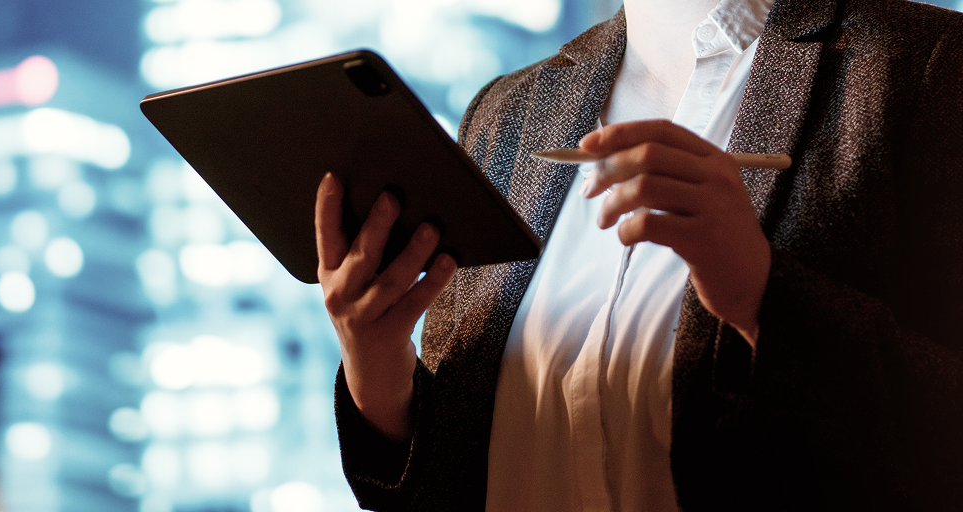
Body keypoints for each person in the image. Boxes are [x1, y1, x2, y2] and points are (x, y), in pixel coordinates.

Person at [316, 0, 963, 509]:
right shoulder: (507, 114)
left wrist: (765, 298)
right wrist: (379, 373)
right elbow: (452, 485)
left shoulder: (922, 66)